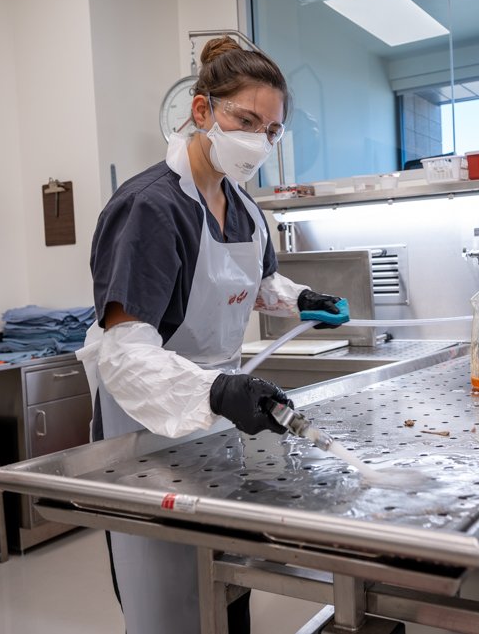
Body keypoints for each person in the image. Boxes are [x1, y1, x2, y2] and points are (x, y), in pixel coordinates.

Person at [77, 36, 347, 634]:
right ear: (203, 112)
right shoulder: (149, 207)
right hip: (146, 427)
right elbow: (124, 353)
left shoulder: (242, 206)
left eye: (271, 130)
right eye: (244, 121)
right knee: (169, 596)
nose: (258, 141)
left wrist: (300, 298)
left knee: (226, 574)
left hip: (217, 416)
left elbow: (252, 280)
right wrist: (212, 392)